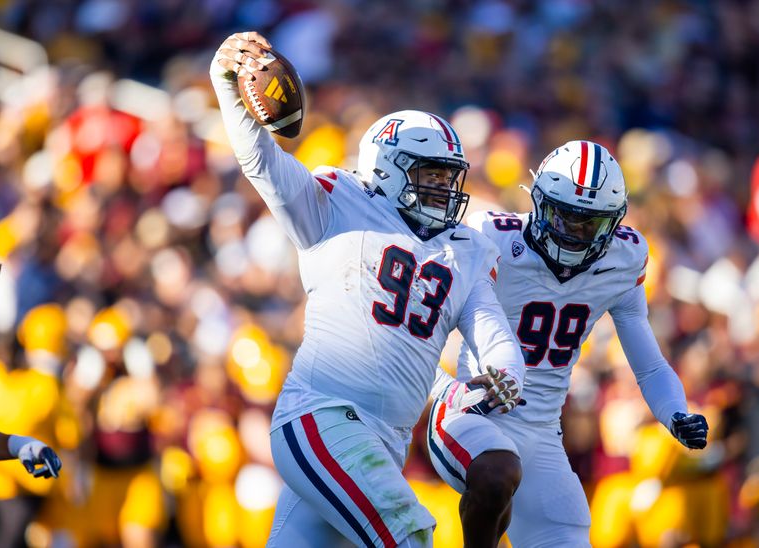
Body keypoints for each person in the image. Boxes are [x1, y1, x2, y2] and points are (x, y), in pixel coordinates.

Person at [210, 32, 525, 548]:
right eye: (430, 175)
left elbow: (490, 326)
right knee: (409, 535)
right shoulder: (337, 203)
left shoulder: (464, 250)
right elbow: (262, 162)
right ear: (388, 167)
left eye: (449, 178)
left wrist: (506, 370)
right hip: (320, 416)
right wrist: (226, 86)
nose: (444, 189)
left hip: (385, 440)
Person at [428, 141, 709, 547]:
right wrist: (444, 389)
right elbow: (421, 329)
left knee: (568, 532)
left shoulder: (623, 259)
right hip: (470, 413)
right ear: (539, 203)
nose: (576, 233)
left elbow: (648, 364)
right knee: (495, 474)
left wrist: (675, 413)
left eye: (590, 224)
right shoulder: (492, 239)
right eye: (566, 217)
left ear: (612, 222)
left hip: (542, 432)